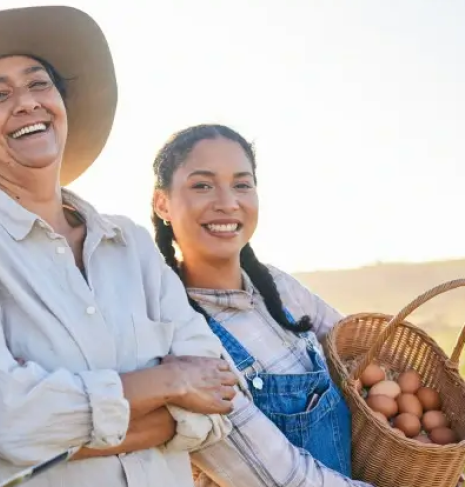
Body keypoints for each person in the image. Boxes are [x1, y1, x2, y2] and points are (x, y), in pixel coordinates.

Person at [0, 6, 242, 487]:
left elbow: (224, 395)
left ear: (62, 104)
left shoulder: (131, 245)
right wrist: (168, 381)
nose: (26, 102)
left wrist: (43, 436)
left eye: (40, 84)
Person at [151, 124, 372, 486]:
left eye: (242, 184)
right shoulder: (180, 336)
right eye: (202, 185)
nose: (227, 202)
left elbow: (364, 348)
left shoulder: (278, 288)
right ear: (163, 203)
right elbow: (286, 480)